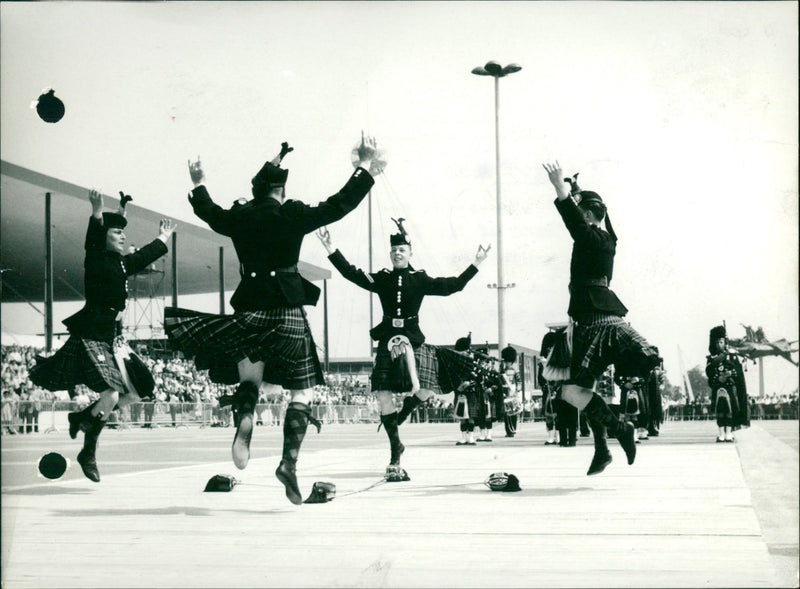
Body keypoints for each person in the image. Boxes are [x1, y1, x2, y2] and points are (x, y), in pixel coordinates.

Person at [164, 138, 378, 505]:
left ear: (257, 190)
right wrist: (365, 168)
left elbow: (210, 212)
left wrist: (199, 182)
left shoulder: (241, 216)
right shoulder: (292, 214)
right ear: (281, 191)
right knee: (302, 392)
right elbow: (338, 205)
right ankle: (288, 463)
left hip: (250, 306)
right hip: (288, 310)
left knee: (250, 378)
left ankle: (246, 413)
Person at [317, 221, 489, 477]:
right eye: (394, 250)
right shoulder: (383, 278)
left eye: (402, 250)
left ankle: (408, 407)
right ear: (390, 253)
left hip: (414, 339)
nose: (398, 253)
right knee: (383, 396)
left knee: (430, 386)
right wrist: (331, 248)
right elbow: (351, 273)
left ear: (410, 253)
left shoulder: (419, 278)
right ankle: (395, 449)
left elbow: (452, 286)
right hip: (388, 340)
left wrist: (476, 263)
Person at [30, 190, 174, 481]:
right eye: (118, 232)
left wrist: (163, 238)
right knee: (109, 393)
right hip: (91, 336)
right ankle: (88, 451)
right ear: (105, 235)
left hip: (113, 339)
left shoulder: (121, 264)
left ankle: (83, 418)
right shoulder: (95, 258)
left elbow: (145, 254)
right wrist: (97, 212)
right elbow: (94, 237)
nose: (123, 237)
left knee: (136, 392)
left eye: (123, 232)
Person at [541, 162, 660, 475]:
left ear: (590, 215)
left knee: (570, 391)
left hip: (591, 322)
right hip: (606, 318)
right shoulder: (608, 239)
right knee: (586, 389)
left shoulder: (590, 238)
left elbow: (574, 222)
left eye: (585, 213)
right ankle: (602, 449)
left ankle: (620, 429)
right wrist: (578, 191)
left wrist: (560, 190)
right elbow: (587, 219)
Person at [706, 325, 749, 442]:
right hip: (718, 387)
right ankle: (721, 434)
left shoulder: (732, 355)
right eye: (717, 342)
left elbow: (738, 371)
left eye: (721, 342)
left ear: (725, 342)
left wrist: (730, 373)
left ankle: (729, 433)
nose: (719, 344)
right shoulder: (711, 358)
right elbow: (709, 371)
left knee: (731, 410)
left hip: (730, 387)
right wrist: (718, 378)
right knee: (720, 410)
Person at [500, 345, 522, 438]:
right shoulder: (502, 371)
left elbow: (519, 381)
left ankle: (513, 430)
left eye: (507, 361)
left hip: (512, 393)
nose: (506, 363)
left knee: (513, 413)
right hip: (505, 393)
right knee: (507, 413)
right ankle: (508, 431)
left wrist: (517, 390)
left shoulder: (515, 370)